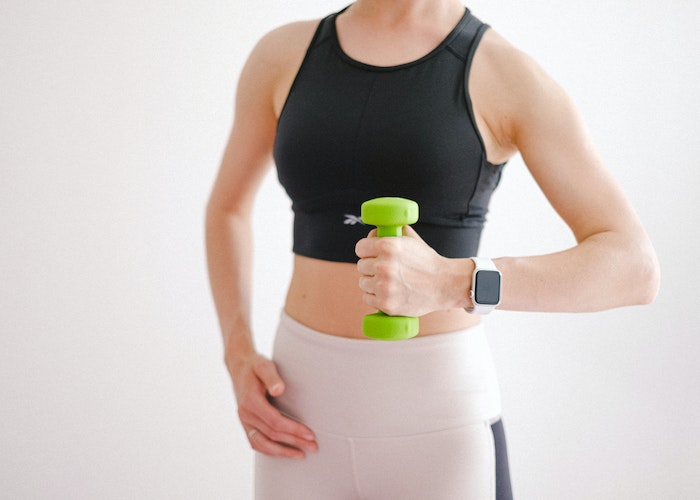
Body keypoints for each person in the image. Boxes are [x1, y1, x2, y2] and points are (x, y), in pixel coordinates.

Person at [205, 0, 660, 498]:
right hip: (295, 414)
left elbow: (634, 266)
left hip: (437, 424)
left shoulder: (503, 73)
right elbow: (228, 208)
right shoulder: (283, 54)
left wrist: (455, 281)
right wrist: (237, 352)